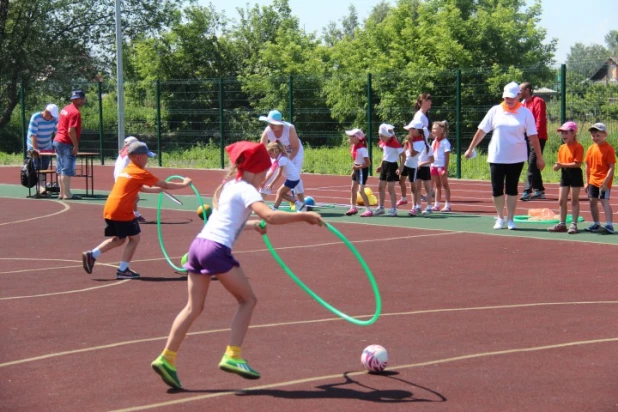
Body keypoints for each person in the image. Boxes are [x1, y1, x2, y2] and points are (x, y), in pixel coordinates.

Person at [150, 141, 322, 389]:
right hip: (216, 250)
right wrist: (304, 215)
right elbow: (271, 215)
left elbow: (229, 220)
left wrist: (252, 225)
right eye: (264, 171)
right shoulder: (248, 189)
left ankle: (167, 358)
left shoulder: (230, 185)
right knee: (248, 300)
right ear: (254, 170)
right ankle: (233, 355)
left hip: (198, 246)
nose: (266, 176)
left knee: (193, 307)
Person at [81, 142, 192, 279]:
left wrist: (154, 190)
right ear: (139, 157)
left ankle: (92, 255)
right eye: (147, 157)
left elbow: (137, 187)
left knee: (119, 239)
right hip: (122, 211)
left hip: (110, 209)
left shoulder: (128, 170)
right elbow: (165, 184)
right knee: (134, 239)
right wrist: (184, 184)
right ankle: (123, 269)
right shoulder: (141, 172)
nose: (147, 160)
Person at [465, 81, 545, 230]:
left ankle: (510, 219)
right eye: (506, 97)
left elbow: (533, 136)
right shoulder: (495, 111)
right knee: (496, 188)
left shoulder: (525, 113)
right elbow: (482, 130)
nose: (509, 100)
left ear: (518, 96)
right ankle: (500, 217)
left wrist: (540, 158)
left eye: (512, 98)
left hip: (516, 157)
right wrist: (471, 148)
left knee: (512, 188)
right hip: (497, 156)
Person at [259, 110, 306, 210]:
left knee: (294, 175)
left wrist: (287, 161)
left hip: (294, 153)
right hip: (278, 154)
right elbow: (262, 146)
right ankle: (260, 203)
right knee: (269, 172)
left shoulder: (289, 128)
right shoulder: (268, 130)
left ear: (279, 124)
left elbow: (296, 147)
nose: (270, 125)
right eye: (269, 123)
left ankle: (302, 205)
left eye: (273, 123)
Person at [547, 122, 584, 234]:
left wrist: (561, 165)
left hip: (575, 174)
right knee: (561, 200)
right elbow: (560, 163)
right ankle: (562, 223)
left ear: (573, 133)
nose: (563, 135)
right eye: (562, 133)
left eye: (566, 132)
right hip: (565, 174)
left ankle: (573, 224)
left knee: (574, 200)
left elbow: (577, 164)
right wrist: (556, 167)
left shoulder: (578, 147)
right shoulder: (562, 147)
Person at [53, 90, 86, 200]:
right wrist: (76, 145)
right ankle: (67, 194)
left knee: (61, 168)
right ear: (77, 99)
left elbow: (59, 125)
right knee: (66, 169)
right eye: (82, 98)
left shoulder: (65, 109)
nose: (83, 100)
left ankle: (62, 193)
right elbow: (71, 130)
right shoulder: (75, 113)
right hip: (66, 142)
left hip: (58, 140)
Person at [584, 122, 615, 234]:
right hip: (593, 180)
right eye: (593, 135)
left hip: (603, 181)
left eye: (598, 135)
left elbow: (612, 167)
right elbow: (587, 165)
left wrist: (606, 182)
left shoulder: (609, 149)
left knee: (604, 201)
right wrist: (587, 181)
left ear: (605, 135)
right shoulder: (591, 148)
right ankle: (596, 223)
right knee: (592, 201)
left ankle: (609, 225)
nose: (595, 138)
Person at [520, 82, 548, 201]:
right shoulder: (522, 104)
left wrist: (533, 136)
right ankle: (539, 190)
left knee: (532, 163)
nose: (518, 92)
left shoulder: (538, 101)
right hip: (525, 137)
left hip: (537, 137)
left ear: (528, 90)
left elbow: (539, 120)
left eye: (520, 89)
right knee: (533, 163)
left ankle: (527, 191)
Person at [26, 104, 59, 196]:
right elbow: (33, 135)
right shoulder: (35, 117)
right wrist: (35, 149)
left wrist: (56, 146)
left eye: (53, 116)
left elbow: (57, 134)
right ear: (46, 112)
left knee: (44, 167)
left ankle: (42, 186)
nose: (52, 117)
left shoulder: (55, 119)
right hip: (33, 145)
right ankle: (40, 186)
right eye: (51, 115)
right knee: (36, 166)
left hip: (46, 145)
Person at [113, 136, 147, 223]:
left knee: (134, 198)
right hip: (124, 179)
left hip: (120, 178)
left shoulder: (123, 152)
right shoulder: (131, 153)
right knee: (134, 198)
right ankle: (127, 215)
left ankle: (136, 214)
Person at [262, 140, 303, 211]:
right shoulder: (280, 158)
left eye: (270, 153)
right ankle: (298, 204)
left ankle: (275, 209)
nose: (269, 156)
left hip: (292, 179)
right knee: (281, 193)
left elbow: (279, 174)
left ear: (275, 151)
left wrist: (271, 184)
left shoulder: (282, 159)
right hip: (293, 178)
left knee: (279, 192)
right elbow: (272, 170)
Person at [375, 123, 405, 217]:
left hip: (392, 166)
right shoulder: (384, 143)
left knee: (390, 188)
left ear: (387, 135)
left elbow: (404, 156)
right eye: (379, 136)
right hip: (385, 165)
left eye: (382, 136)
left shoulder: (395, 144)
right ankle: (381, 207)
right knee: (380, 187)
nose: (380, 138)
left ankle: (393, 209)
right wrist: (380, 166)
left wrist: (400, 168)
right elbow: (384, 155)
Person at [344, 128, 372, 217]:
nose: (349, 139)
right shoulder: (353, 147)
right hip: (357, 169)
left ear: (357, 138)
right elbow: (356, 160)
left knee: (361, 190)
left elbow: (368, 163)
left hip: (362, 170)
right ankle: (353, 207)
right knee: (353, 189)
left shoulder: (362, 149)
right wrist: (354, 170)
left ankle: (368, 210)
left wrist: (357, 167)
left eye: (351, 137)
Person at [401, 119, 425, 216]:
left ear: (417, 130)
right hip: (406, 164)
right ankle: (404, 199)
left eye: (411, 129)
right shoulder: (410, 139)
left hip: (413, 166)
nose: (409, 131)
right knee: (401, 181)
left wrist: (410, 143)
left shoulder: (420, 142)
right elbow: (404, 152)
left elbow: (412, 154)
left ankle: (414, 207)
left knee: (413, 187)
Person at [412, 93, 433, 201]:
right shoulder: (419, 116)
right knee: (420, 170)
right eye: (428, 100)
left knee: (425, 169)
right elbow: (418, 131)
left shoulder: (424, 115)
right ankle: (418, 194)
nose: (431, 102)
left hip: (424, 145)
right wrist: (432, 135)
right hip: (420, 146)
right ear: (423, 102)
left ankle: (426, 192)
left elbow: (425, 131)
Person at [430, 121, 452, 212]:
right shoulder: (434, 141)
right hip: (433, 166)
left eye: (435, 128)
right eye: (433, 128)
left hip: (441, 166)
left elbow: (447, 156)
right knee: (437, 185)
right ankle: (436, 204)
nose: (433, 130)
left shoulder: (445, 142)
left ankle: (447, 205)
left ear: (442, 130)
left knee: (445, 185)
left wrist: (445, 169)